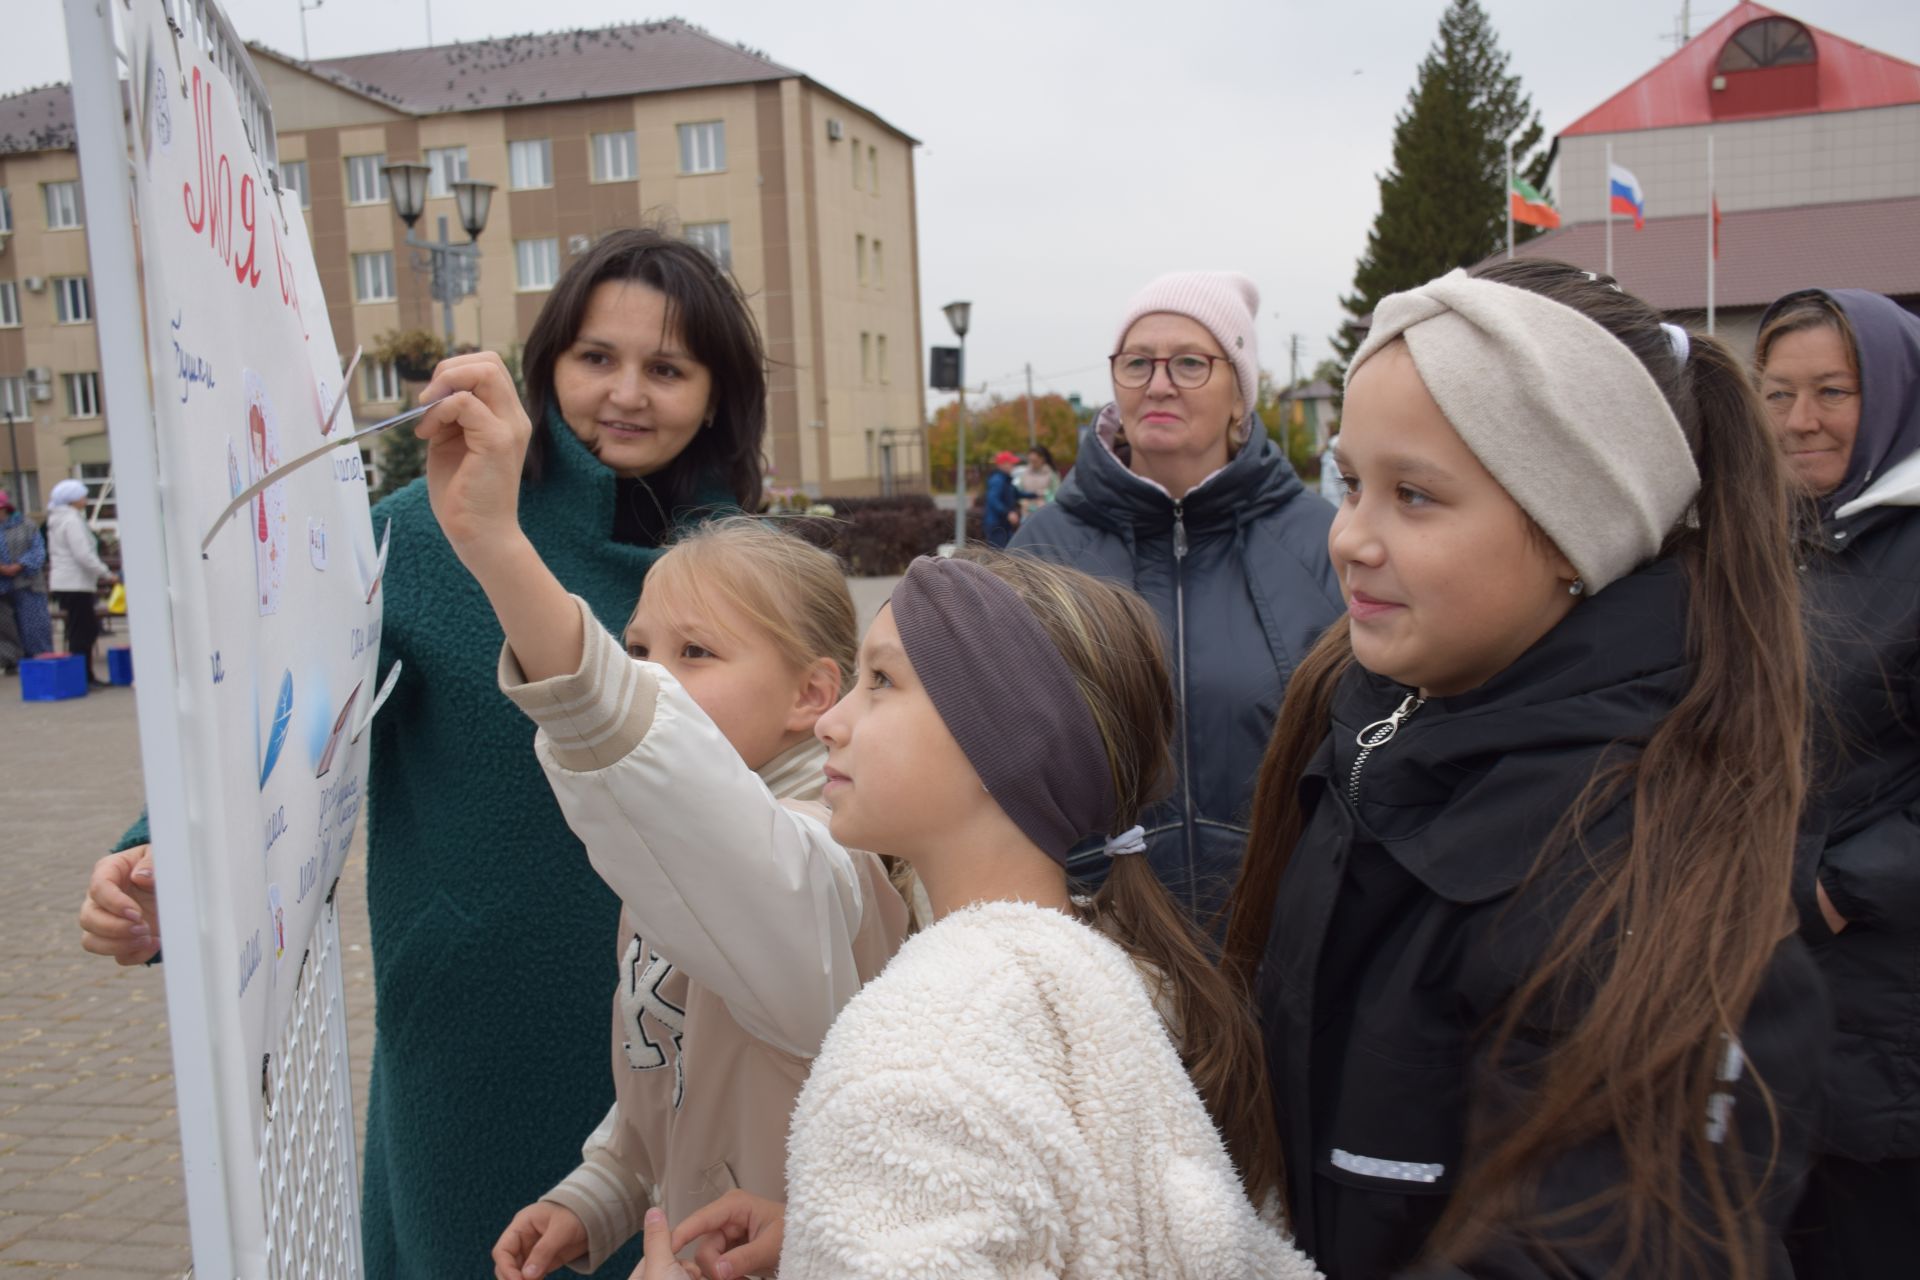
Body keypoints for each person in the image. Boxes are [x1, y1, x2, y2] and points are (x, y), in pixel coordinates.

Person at [77, 228, 770, 1278]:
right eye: (596, 358)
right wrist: (158, 857)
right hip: (470, 1041)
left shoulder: (751, 570)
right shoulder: (425, 527)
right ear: (547, 370)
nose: (626, 392)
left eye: (667, 368)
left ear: (715, 395)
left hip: (696, 1032)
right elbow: (286, 710)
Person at [1224, 262, 1829, 1277]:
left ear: (1574, 530)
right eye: (1352, 482)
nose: (1350, 537)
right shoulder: (1358, 712)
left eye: (1414, 495)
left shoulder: (1635, 855)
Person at [665, 551, 1320, 1279]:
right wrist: (830, 1235)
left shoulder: (921, 1054)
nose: (834, 721)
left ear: (1006, 743)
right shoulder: (1103, 976)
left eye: (881, 681)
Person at [407, 400, 910, 1279]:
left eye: (696, 653)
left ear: (809, 694)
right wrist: (601, 1189)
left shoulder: (826, 866)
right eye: (636, 648)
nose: (652, 680)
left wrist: (498, 547)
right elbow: (672, 1067)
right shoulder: (680, 851)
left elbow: (653, 761)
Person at [1014, 272, 1342, 924]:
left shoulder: (1322, 544)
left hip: (1281, 932)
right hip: (1100, 940)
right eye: (1138, 363)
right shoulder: (1042, 553)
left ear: (1240, 396)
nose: (1159, 383)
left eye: (1190, 362)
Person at [1755, 287, 1920, 1280]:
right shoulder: (1767, 541)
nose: (1799, 419)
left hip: (1880, 1005)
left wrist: (1836, 888)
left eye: (1832, 391)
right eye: (1777, 392)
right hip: (1762, 989)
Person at [46, 478, 115, 686]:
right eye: (82, 496)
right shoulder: (71, 520)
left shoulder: (58, 519)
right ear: (73, 499)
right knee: (83, 631)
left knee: (79, 629)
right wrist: (106, 573)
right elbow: (83, 554)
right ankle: (84, 677)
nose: (85, 499)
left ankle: (83, 675)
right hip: (75, 582)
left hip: (66, 582)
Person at [0, 489, 52, 674]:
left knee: (34, 623)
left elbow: (38, 550)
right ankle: (11, 662)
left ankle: (40, 659)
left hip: (27, 582)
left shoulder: (26, 525)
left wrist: (21, 565)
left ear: (5, 508)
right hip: (1, 586)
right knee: (5, 628)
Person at [981, 449, 1034, 548]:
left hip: (1004, 524)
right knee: (998, 553)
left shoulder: (1006, 479)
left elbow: (1016, 494)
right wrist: (1008, 513)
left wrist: (1035, 494)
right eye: (1011, 463)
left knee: (1008, 549)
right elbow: (993, 499)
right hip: (997, 524)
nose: (1013, 466)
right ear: (1002, 464)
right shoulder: (998, 480)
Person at [1015, 444, 1060, 513]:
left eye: (1035, 461)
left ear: (1042, 459)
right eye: (1030, 460)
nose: (1032, 463)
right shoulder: (1024, 474)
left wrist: (1046, 500)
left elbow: (1056, 494)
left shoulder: (1052, 474)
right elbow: (1019, 492)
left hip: (1045, 512)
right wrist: (1022, 502)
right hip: (1026, 512)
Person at [1316, 432, 1343, 505]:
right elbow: (1340, 481)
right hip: (1335, 495)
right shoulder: (1334, 462)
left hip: (1326, 493)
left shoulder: (1327, 458)